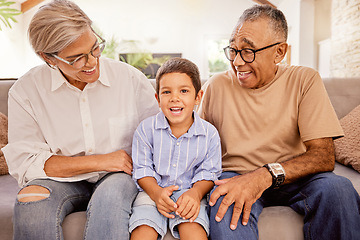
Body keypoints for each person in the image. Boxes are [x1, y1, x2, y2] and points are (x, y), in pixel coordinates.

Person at [198, 5, 360, 240]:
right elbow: (194, 143)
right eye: (233, 49)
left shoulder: (304, 80)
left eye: (248, 51)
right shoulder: (216, 86)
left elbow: (324, 156)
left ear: (279, 52)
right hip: (236, 174)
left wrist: (264, 175)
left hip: (296, 176)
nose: (238, 62)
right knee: (224, 200)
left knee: (339, 190)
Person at [2, 0, 159, 239]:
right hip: (57, 180)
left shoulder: (130, 80)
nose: (93, 62)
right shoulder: (26, 91)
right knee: (31, 201)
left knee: (110, 200)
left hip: (117, 178)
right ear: (48, 58)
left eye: (95, 48)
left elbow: (159, 139)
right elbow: (26, 163)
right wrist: (100, 161)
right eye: (77, 58)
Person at [129, 58, 222, 240]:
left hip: (189, 193)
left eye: (184, 91)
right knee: (142, 234)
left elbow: (209, 172)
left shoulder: (209, 134)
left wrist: (195, 194)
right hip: (151, 192)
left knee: (194, 234)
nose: (174, 98)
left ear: (198, 97)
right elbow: (142, 168)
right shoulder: (145, 130)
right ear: (157, 98)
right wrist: (156, 193)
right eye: (166, 92)